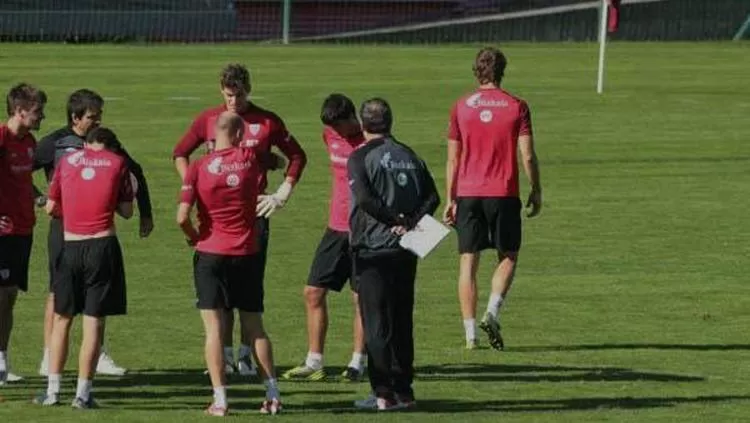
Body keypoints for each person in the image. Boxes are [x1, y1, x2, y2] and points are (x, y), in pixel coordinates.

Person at [173, 63, 307, 376]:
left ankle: (246, 356)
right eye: (229, 95)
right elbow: (180, 152)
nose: (234, 101)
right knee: (219, 291)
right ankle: (226, 357)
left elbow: (297, 156)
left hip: (254, 214)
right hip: (215, 217)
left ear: (250, 89)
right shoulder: (210, 120)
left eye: (240, 94)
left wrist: (282, 192)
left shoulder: (268, 121)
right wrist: (193, 185)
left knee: (249, 290)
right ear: (222, 91)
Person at [33, 88, 153, 377]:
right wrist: (38, 197)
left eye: (99, 116)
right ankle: (49, 357)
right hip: (63, 228)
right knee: (57, 292)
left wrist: (146, 213)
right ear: (76, 118)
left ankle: (98, 355)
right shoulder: (54, 144)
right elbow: (18, 170)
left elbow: (133, 170)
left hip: (98, 227)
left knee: (96, 294)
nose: (97, 121)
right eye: (92, 117)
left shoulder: (104, 142)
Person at [177, 111, 281, 416]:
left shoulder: (197, 168)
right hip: (247, 252)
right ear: (239, 135)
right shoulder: (250, 159)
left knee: (214, 330)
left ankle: (221, 400)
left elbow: (181, 217)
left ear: (213, 137)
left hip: (210, 253)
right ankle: (273, 394)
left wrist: (195, 236)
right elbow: (279, 161)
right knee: (255, 327)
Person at [442, 46, 542, 351]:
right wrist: (536, 189)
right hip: (504, 192)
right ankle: (492, 312)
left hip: (468, 192)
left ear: (477, 71)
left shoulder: (460, 106)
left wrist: (450, 198)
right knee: (508, 256)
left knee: (467, 264)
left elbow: (453, 159)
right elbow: (526, 154)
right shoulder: (517, 106)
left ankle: (470, 335)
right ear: (502, 71)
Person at [348, 98, 440, 411]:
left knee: (375, 322)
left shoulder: (360, 156)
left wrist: (394, 220)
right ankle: (405, 390)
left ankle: (383, 393)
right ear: (391, 122)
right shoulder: (409, 154)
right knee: (402, 320)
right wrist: (411, 222)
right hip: (407, 249)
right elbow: (433, 197)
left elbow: (364, 199)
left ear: (363, 124)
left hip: (373, 249)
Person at [35, 127, 134, 408]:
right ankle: (83, 394)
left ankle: (53, 392)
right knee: (93, 321)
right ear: (109, 146)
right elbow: (127, 211)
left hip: (70, 245)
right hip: (101, 247)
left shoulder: (66, 162)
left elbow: (51, 207)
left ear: (86, 144)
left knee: (62, 319)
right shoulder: (117, 164)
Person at [283, 94, 366, 382]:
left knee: (361, 299)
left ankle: (357, 362)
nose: (336, 132)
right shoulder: (328, 135)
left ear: (351, 118)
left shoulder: (371, 141)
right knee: (313, 292)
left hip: (364, 232)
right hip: (335, 228)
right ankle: (314, 361)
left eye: (339, 126)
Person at [0, 83, 47, 385]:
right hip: (3, 231)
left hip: (23, 228)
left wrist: (40, 197)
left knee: (10, 296)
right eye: (37, 112)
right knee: (2, 295)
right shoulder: (1, 138)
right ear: (19, 111)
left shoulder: (30, 141)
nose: (41, 117)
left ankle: (2, 359)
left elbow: (23, 181)